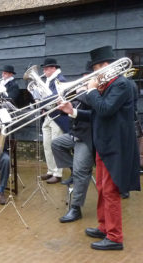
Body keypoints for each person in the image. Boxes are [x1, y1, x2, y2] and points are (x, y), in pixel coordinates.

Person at [59, 45, 140, 250]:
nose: (95, 72)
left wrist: (92, 90)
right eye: (95, 68)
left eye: (98, 67)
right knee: (102, 188)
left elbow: (104, 109)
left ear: (107, 65)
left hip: (116, 147)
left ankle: (115, 237)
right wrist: (72, 111)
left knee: (111, 191)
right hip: (104, 145)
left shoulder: (121, 84)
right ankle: (104, 227)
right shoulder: (107, 87)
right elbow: (98, 115)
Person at [52, 62, 94, 223]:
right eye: (83, 78)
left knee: (80, 171)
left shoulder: (93, 93)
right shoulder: (81, 94)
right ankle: (75, 170)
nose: (84, 81)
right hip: (75, 135)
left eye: (87, 79)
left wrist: (82, 92)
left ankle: (75, 209)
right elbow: (69, 113)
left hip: (87, 137)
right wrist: (60, 106)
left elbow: (92, 112)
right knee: (57, 144)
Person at [38, 58, 70, 184]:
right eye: (44, 69)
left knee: (55, 145)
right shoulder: (48, 81)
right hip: (48, 116)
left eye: (46, 69)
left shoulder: (59, 80)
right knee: (47, 146)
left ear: (53, 69)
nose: (44, 71)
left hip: (58, 117)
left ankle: (58, 173)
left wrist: (42, 102)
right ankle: (51, 171)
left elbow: (55, 96)